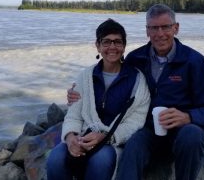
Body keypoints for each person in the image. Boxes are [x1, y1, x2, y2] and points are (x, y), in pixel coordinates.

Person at [67, 4, 204, 180]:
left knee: (193, 135)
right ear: (147, 31)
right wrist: (79, 92)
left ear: (176, 28)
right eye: (154, 28)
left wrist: (188, 117)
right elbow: (112, 79)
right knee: (133, 146)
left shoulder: (194, 61)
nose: (160, 34)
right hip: (146, 128)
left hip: (181, 130)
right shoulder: (136, 58)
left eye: (165, 27)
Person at [46, 18, 150, 180]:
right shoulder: (85, 76)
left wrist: (106, 136)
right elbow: (74, 115)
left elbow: (136, 121)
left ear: (124, 46)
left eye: (118, 42)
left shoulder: (137, 80)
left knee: (101, 160)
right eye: (106, 42)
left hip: (113, 142)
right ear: (98, 45)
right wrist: (70, 137)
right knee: (55, 159)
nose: (112, 47)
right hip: (82, 136)